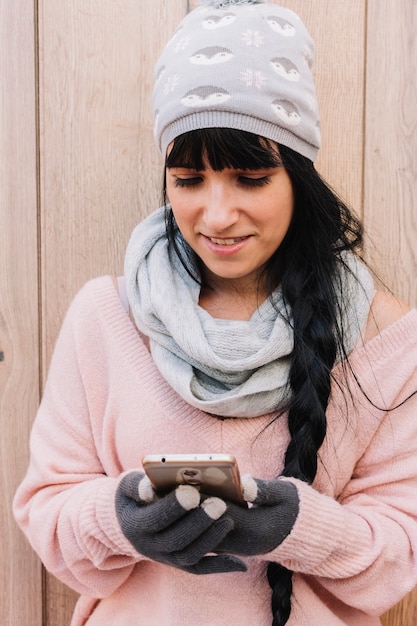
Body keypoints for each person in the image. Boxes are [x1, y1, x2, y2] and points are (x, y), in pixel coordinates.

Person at [13, 1, 417, 625]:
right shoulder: (104, 316)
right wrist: (120, 519)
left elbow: (400, 553)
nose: (217, 215)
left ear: (297, 176)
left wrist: (299, 527)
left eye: (251, 177)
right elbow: (47, 512)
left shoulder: (384, 339)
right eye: (189, 179)